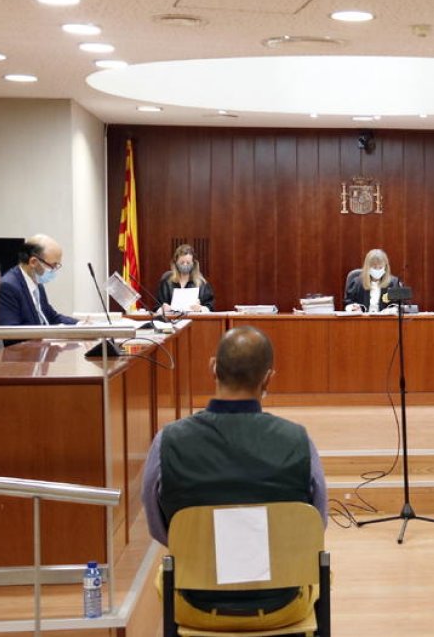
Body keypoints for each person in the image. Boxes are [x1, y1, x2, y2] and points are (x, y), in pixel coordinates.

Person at [141, 326, 328, 631]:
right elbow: (314, 526)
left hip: (194, 603)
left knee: (165, 572)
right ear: (269, 378)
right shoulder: (298, 440)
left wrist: (202, 545)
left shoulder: (168, 440)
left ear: (213, 367)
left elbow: (160, 529)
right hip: (281, 605)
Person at [0, 234, 78, 328]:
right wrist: (49, 335)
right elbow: (11, 332)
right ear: (33, 262)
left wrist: (81, 325)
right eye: (53, 266)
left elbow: (52, 318)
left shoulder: (37, 284)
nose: (54, 270)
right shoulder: (8, 287)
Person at [158, 243, 214, 312]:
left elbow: (210, 307)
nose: (185, 265)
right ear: (176, 263)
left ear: (193, 263)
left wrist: (201, 308)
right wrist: (163, 308)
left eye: (188, 262)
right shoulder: (166, 281)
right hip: (170, 320)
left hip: (195, 321)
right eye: (182, 262)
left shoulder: (201, 283)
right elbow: (157, 306)